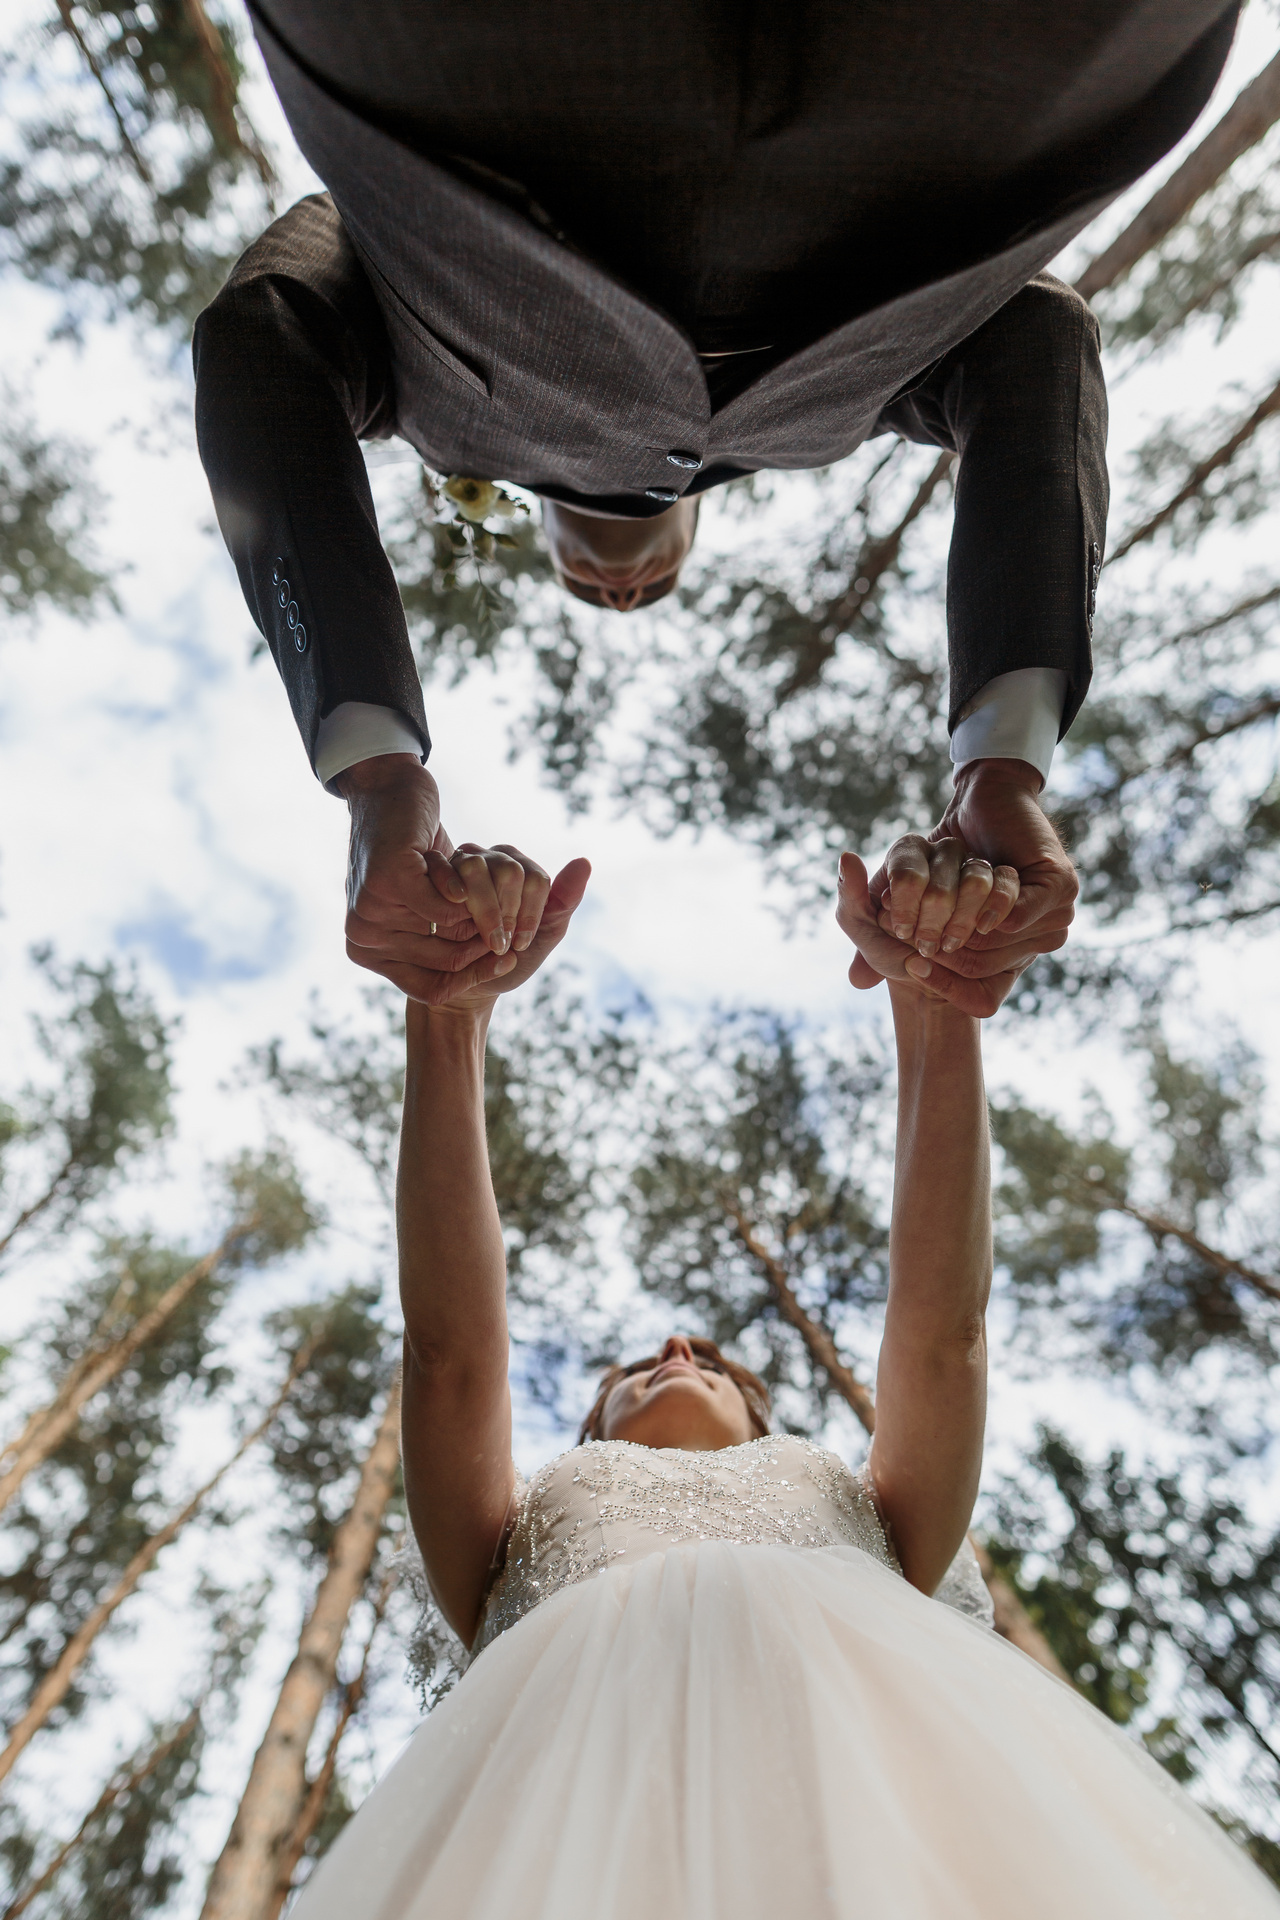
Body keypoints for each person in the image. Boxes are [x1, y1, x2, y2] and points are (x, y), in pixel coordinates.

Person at [286, 836, 1278, 1920]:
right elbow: (450, 1355)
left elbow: (943, 1330)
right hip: (563, 1822)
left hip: (904, 1801)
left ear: (763, 1415)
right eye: (640, 1365)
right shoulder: (505, 1524)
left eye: (707, 1360)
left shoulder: (877, 1507)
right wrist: (447, 1021)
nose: (675, 1350)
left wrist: (938, 1012)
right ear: (589, 1428)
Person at [193, 2, 1241, 1010]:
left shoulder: (417, 394)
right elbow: (1038, 339)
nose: (617, 588)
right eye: (648, 590)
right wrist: (1003, 765)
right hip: (995, 91)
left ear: (522, 515)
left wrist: (376, 773)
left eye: (588, 584)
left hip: (464, 79)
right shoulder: (846, 412)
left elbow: (260, 334)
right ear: (703, 510)